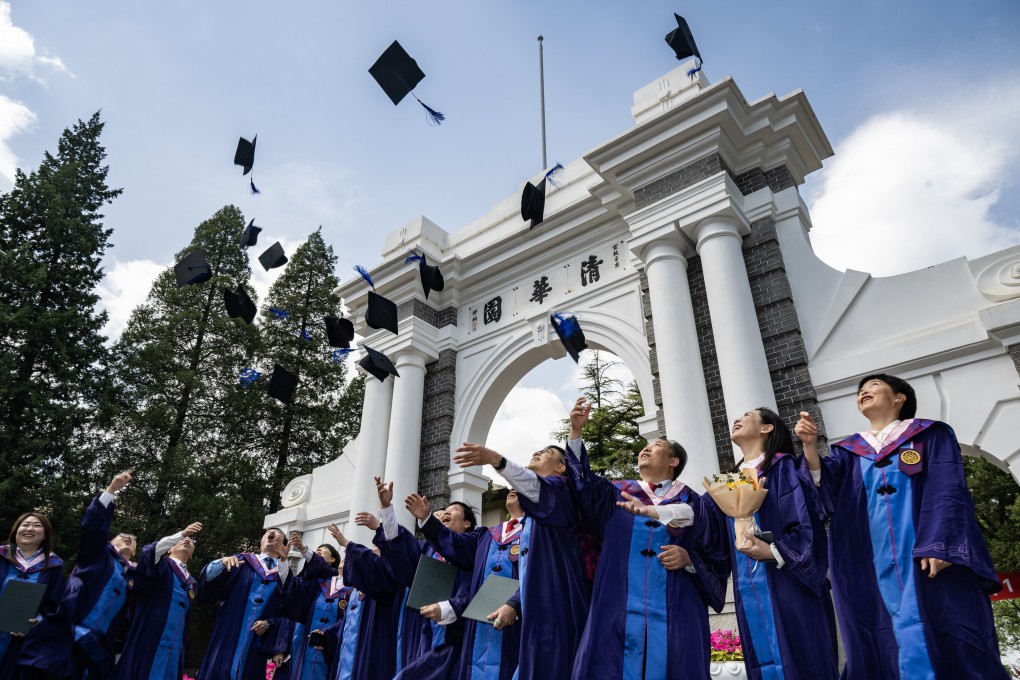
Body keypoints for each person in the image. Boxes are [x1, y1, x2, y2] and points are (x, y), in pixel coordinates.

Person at [797, 373, 1008, 679]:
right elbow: (823, 492)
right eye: (860, 391)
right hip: (866, 560)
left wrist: (941, 544)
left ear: (899, 398)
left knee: (945, 627)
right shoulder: (848, 451)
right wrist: (810, 446)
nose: (863, 392)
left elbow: (947, 488)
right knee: (876, 632)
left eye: (873, 387)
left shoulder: (930, 435)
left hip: (922, 553)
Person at [561, 397, 729, 680]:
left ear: (673, 461)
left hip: (677, 602)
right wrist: (576, 433)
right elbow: (583, 484)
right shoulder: (617, 493)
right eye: (644, 447)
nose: (645, 449)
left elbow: (718, 552)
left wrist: (690, 560)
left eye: (656, 447)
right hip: (619, 602)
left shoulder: (696, 502)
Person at [453, 434, 590, 679]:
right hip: (532, 610)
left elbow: (540, 489)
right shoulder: (525, 523)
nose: (537, 452)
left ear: (560, 468)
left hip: (555, 606)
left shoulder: (561, 492)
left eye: (547, 451)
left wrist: (497, 460)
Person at [715, 408, 837, 679]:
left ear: (767, 428)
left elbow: (807, 519)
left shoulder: (785, 467)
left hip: (788, 580)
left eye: (746, 415)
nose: (736, 418)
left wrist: (774, 550)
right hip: (748, 586)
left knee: (800, 654)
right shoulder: (729, 483)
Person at [18, 470, 136, 679]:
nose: (128, 538)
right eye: (122, 535)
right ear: (110, 542)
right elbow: (92, 528)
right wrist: (111, 490)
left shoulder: (135, 577)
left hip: (97, 653)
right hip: (65, 640)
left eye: (132, 538)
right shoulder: (99, 555)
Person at [405, 488, 525, 680]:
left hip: (517, 621)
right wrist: (427, 519)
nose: (513, 488)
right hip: (480, 625)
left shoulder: (539, 531)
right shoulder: (487, 535)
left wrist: (515, 603)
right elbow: (456, 542)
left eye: (520, 486)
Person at [370, 477, 472, 680]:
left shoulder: (475, 548)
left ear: (467, 523)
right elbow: (400, 549)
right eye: (443, 511)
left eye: (453, 510)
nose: (446, 512)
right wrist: (387, 509)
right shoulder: (426, 551)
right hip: (421, 626)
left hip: (456, 630)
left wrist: (449, 607)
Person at [196, 527, 291, 679]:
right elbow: (208, 583)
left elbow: (287, 609)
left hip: (255, 642)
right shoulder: (242, 561)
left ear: (283, 545)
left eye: (277, 535)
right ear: (261, 542)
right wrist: (221, 562)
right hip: (229, 632)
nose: (272, 534)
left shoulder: (284, 575)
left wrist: (269, 623)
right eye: (269, 533)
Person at [111, 521, 202, 679]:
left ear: (193, 554)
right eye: (183, 539)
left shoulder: (192, 583)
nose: (187, 540)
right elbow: (151, 552)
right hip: (148, 642)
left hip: (174, 651)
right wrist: (182, 533)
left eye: (192, 541)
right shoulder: (160, 566)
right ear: (169, 549)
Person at [314, 522, 401, 680]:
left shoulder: (388, 582)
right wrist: (326, 635)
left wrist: (347, 543)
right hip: (346, 660)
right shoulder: (355, 592)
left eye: (377, 548)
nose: (373, 548)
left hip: (370, 653)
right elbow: (348, 623)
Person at [0, 512, 65, 679]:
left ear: (45, 535)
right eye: (25, 524)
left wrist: (37, 623)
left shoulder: (54, 565)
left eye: (37, 525)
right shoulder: (1, 555)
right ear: (16, 531)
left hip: (23, 641)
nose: (29, 528)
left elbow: (54, 604)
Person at [274, 535, 347, 680]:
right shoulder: (315, 585)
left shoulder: (352, 590)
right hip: (303, 647)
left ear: (333, 560)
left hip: (332, 652)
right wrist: (283, 561)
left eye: (323, 549)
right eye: (317, 549)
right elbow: (291, 587)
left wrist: (302, 548)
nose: (318, 550)